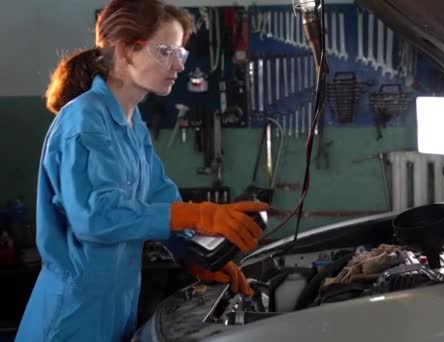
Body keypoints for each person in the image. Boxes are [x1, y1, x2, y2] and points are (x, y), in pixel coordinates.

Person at [15, 1, 268, 341]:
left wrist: (196, 255)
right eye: (166, 51)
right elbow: (96, 216)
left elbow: (159, 194)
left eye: (180, 53)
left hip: (116, 306)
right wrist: (199, 214)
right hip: (72, 316)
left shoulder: (132, 124)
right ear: (125, 50)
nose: (177, 65)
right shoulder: (83, 119)